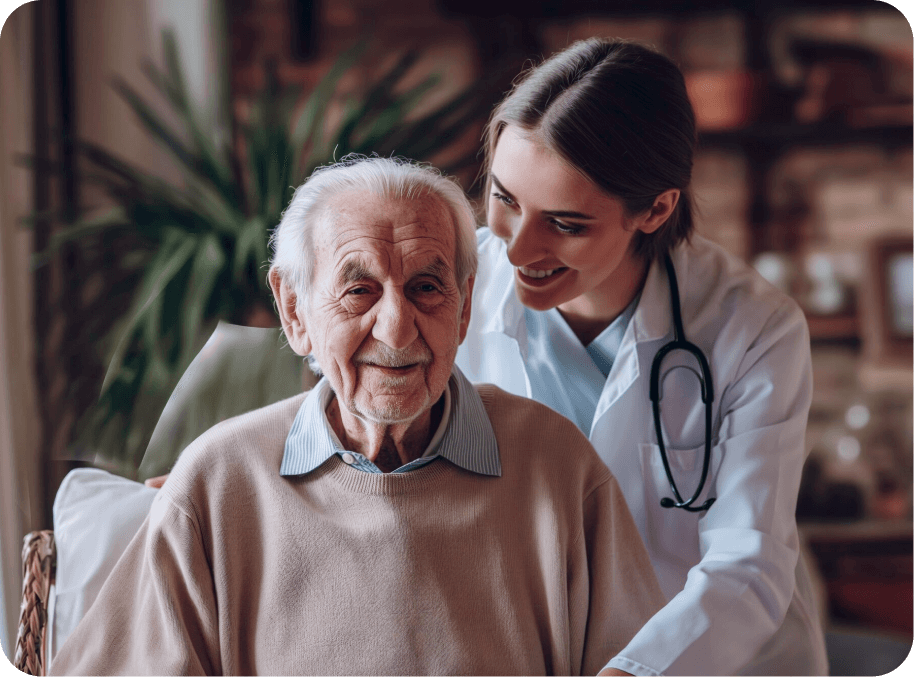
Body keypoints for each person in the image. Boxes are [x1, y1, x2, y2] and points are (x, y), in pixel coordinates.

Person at [49, 156, 667, 677]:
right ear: (295, 313)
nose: (397, 327)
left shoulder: (556, 465)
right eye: (359, 290)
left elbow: (642, 663)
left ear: (464, 306)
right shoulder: (218, 481)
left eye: (426, 287)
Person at [455, 38, 828, 676]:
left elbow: (748, 562)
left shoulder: (753, 328)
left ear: (656, 208)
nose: (517, 249)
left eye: (566, 224)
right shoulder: (450, 292)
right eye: (505, 200)